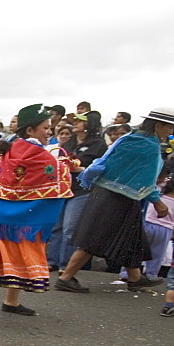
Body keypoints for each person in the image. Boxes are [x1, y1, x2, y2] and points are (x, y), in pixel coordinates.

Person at [0, 104, 73, 322]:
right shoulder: (35, 153)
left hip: (6, 216)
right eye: (45, 127)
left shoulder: (15, 148)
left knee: (15, 259)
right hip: (18, 220)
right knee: (5, 263)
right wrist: (69, 166)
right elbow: (57, 174)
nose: (49, 131)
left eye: (50, 127)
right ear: (30, 130)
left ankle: (11, 301)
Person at [56, 107, 174, 293]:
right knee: (94, 238)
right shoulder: (148, 146)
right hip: (118, 197)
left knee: (131, 237)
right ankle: (66, 277)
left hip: (107, 193)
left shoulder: (131, 138)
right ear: (159, 125)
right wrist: (157, 201)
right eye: (169, 128)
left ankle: (135, 278)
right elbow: (147, 177)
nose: (171, 133)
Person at [47, 111, 108, 271]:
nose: (75, 123)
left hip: (82, 190)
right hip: (62, 189)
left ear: (89, 124)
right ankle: (51, 261)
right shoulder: (69, 142)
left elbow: (100, 169)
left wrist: (77, 168)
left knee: (70, 227)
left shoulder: (98, 144)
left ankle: (65, 265)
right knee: (57, 226)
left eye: (79, 121)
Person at [143, 171, 174, 277]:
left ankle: (126, 274)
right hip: (165, 229)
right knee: (157, 255)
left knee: (137, 249)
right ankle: (151, 275)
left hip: (148, 224)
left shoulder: (158, 194)